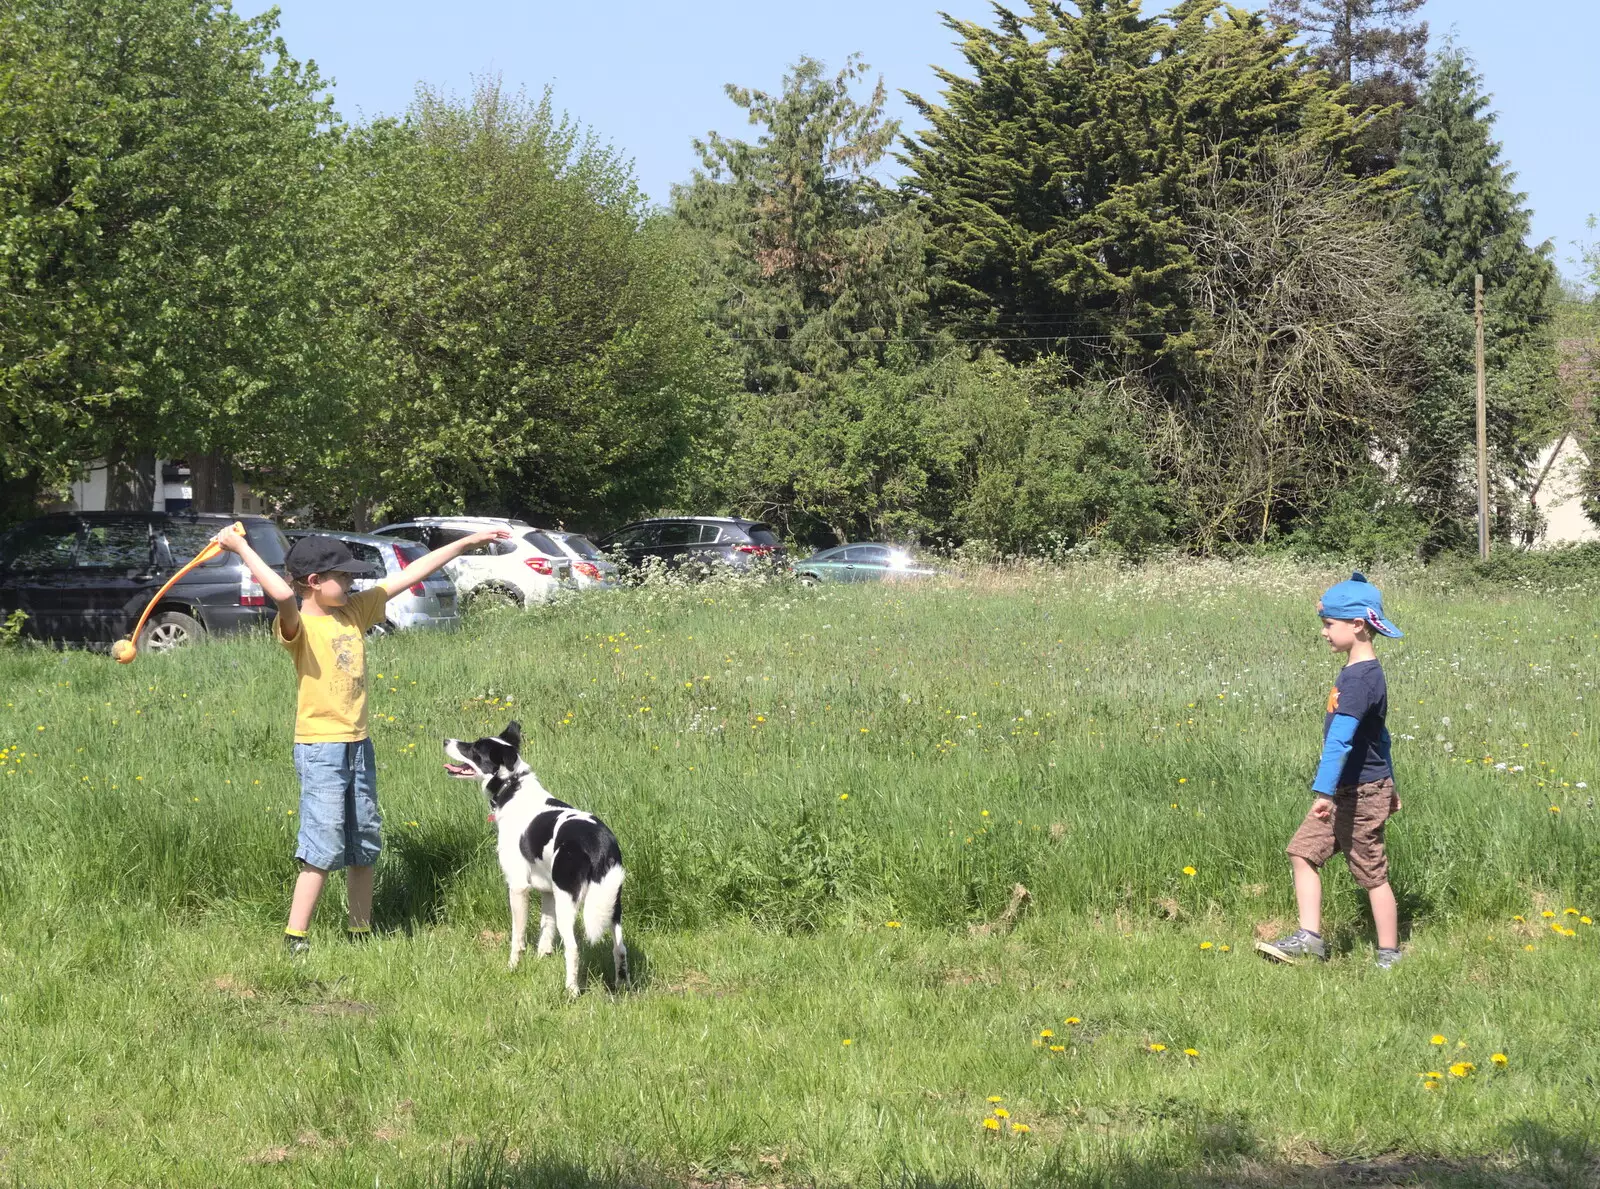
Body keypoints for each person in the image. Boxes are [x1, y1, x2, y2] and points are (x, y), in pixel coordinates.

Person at [215, 524, 508, 953]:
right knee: (322, 841)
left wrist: (462, 544)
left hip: (358, 744)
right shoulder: (296, 625)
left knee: (364, 840)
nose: (353, 584)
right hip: (321, 748)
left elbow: (407, 576)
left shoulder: (354, 611)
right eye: (345, 577)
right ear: (314, 582)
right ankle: (295, 939)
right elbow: (281, 595)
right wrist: (239, 545)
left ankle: (360, 933)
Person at [1257, 572, 1405, 970]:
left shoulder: (1361, 681)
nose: (1324, 633)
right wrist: (1391, 784)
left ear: (1357, 625)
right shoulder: (1357, 673)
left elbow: (1341, 740)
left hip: (1358, 792)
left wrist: (1325, 792)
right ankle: (1310, 938)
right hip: (1351, 788)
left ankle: (1389, 953)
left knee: (1370, 871)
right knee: (1303, 852)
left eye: (1329, 624)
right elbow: (1382, 738)